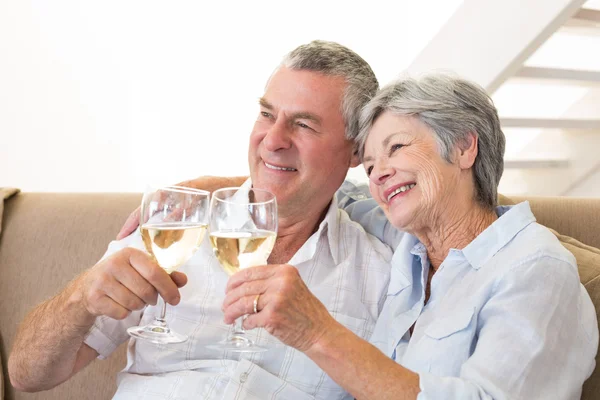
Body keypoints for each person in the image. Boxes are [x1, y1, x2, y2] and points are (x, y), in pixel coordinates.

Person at [8, 40, 394, 399]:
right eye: (266, 115)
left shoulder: (381, 275)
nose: (272, 140)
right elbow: (27, 376)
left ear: (357, 151)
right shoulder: (176, 225)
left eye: (304, 125)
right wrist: (80, 298)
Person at [219, 74, 599, 399]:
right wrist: (195, 192)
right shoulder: (402, 239)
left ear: (465, 146)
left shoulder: (536, 269)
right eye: (369, 165)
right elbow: (316, 185)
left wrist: (318, 333)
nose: (379, 175)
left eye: (396, 148)